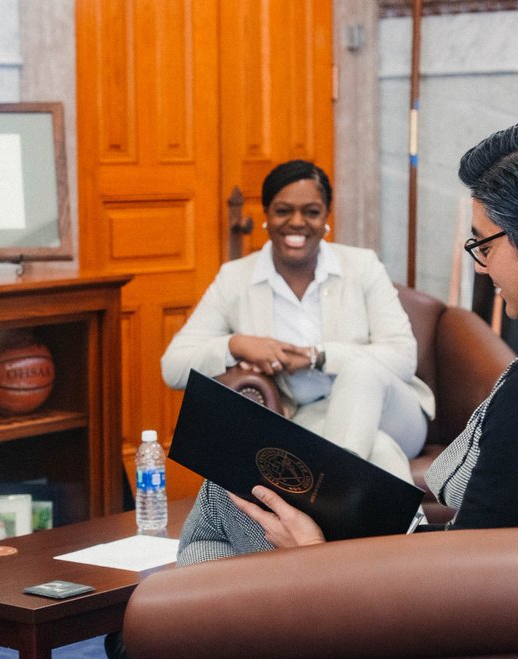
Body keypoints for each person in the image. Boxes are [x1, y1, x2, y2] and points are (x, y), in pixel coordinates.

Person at [177, 118, 518, 565]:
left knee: (225, 492)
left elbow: (462, 583)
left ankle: (161, 643)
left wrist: (318, 556)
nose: (481, 266)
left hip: (426, 598)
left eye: (483, 244)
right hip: (482, 568)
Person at [161, 159, 434, 484]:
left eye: (311, 212)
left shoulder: (362, 266)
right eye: (283, 210)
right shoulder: (236, 279)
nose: (297, 222)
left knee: (361, 370)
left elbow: (403, 356)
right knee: (379, 449)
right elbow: (172, 367)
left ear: (326, 218)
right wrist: (237, 345)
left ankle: (335, 493)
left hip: (395, 413)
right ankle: (402, 533)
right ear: (266, 215)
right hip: (313, 418)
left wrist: (317, 356)